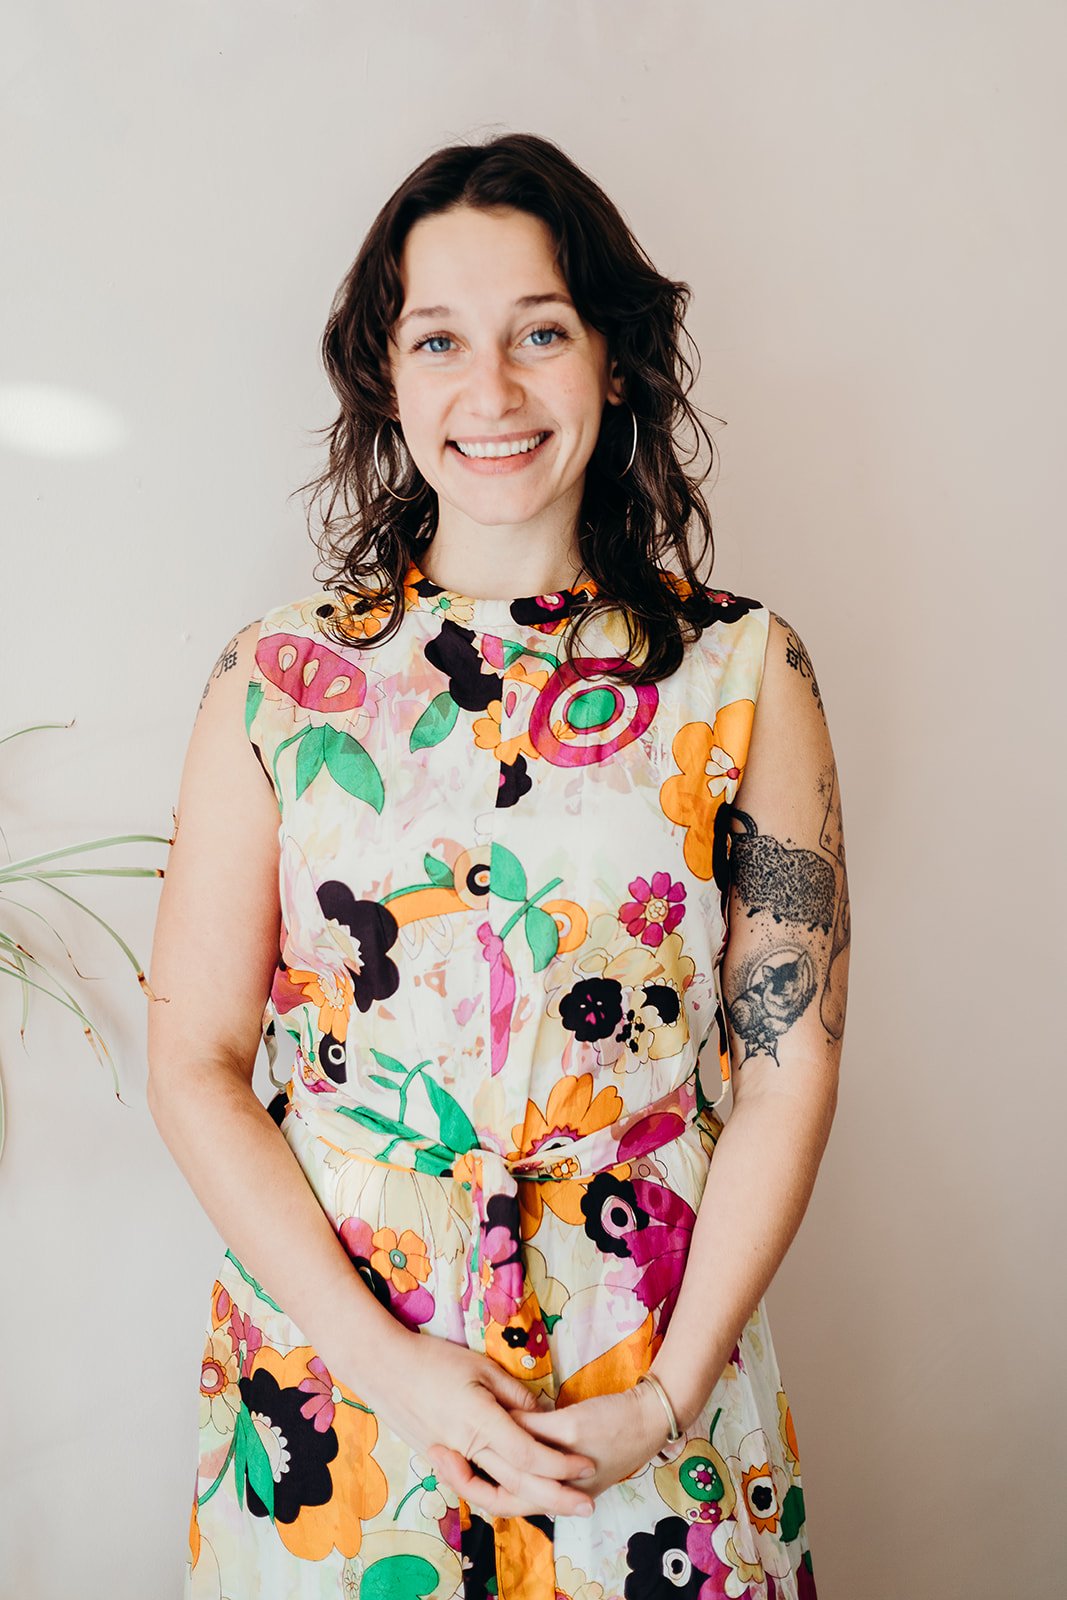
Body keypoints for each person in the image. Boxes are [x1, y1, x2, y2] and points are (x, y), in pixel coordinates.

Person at [148, 131, 849, 1600]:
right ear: (386, 377)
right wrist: (391, 1369)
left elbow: (789, 1060)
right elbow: (198, 1059)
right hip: (340, 1379)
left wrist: (662, 1401)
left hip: (648, 1362)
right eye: (441, 340)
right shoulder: (273, 680)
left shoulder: (744, 671)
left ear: (611, 358)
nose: (494, 391)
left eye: (540, 331)